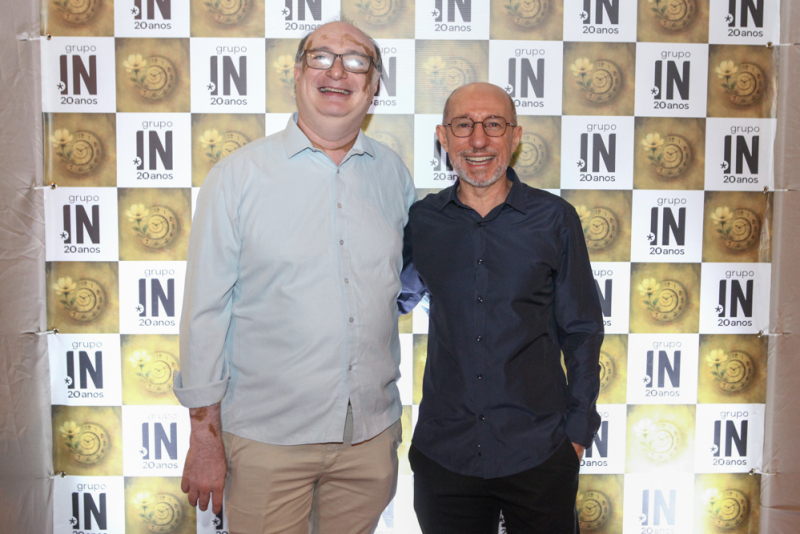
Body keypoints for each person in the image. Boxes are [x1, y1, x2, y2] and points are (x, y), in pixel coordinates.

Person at [175, 21, 416, 534]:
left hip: (369, 440)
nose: (336, 71)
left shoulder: (393, 174)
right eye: (320, 57)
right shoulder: (236, 178)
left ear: (373, 87)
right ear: (295, 73)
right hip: (266, 441)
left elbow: (399, 287)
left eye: (356, 62)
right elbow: (204, 313)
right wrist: (203, 436)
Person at [400, 82, 604, 533]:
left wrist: (577, 432)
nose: (478, 140)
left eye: (493, 125)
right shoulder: (423, 221)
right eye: (463, 126)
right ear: (443, 136)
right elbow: (388, 299)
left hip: (539, 450)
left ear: (514, 137)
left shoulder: (554, 218)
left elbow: (583, 329)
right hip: (444, 454)